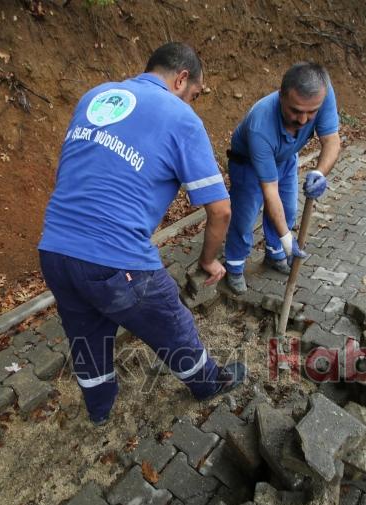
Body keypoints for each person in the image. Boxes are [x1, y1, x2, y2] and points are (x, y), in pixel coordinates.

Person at [38, 43, 246, 426]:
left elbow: (79, 171)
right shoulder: (181, 118)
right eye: (195, 95)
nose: (192, 103)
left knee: (87, 336)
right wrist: (207, 260)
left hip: (54, 250)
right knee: (173, 324)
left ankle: (99, 411)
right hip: (116, 260)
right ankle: (208, 384)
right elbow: (220, 209)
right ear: (181, 79)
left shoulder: (97, 95)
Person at [224, 62, 341, 294]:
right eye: (296, 110)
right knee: (244, 219)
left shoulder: (322, 93)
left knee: (288, 210)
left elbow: (331, 140)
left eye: (311, 112)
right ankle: (235, 267)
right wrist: (290, 241)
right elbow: (270, 192)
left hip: (286, 157)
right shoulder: (261, 126)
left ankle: (274, 254)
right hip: (247, 163)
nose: (304, 120)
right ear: (281, 97)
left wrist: (319, 173)